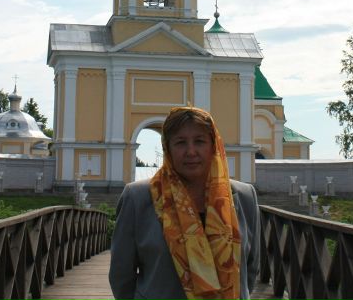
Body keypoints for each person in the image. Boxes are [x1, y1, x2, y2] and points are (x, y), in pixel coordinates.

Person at [109, 106, 260, 300]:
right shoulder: (138, 198)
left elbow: (250, 269)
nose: (191, 151)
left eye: (199, 141)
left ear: (214, 146)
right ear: (167, 148)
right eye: (180, 142)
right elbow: (121, 275)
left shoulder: (244, 196)